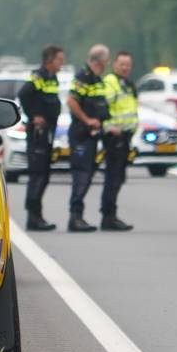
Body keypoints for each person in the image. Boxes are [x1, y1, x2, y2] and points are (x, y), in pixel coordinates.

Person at [17, 45, 64, 231]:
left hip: (48, 132)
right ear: (50, 60)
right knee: (37, 175)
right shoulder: (39, 77)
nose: (62, 63)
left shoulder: (52, 78)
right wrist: (34, 115)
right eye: (60, 59)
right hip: (38, 133)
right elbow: (23, 94)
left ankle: (38, 215)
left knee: (44, 175)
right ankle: (33, 217)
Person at [66, 44, 111, 232]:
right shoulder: (82, 77)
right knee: (82, 175)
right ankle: (75, 217)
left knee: (88, 173)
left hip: (92, 135)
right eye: (106, 60)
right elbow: (71, 101)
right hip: (81, 134)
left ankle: (79, 216)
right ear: (99, 60)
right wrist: (87, 119)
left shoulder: (96, 79)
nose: (107, 63)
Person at [100, 51, 138, 231]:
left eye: (128, 65)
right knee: (113, 178)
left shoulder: (128, 84)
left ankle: (110, 215)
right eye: (122, 64)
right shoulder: (111, 83)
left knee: (118, 177)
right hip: (114, 137)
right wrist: (108, 127)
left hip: (125, 137)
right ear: (114, 65)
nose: (125, 68)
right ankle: (108, 217)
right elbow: (102, 108)